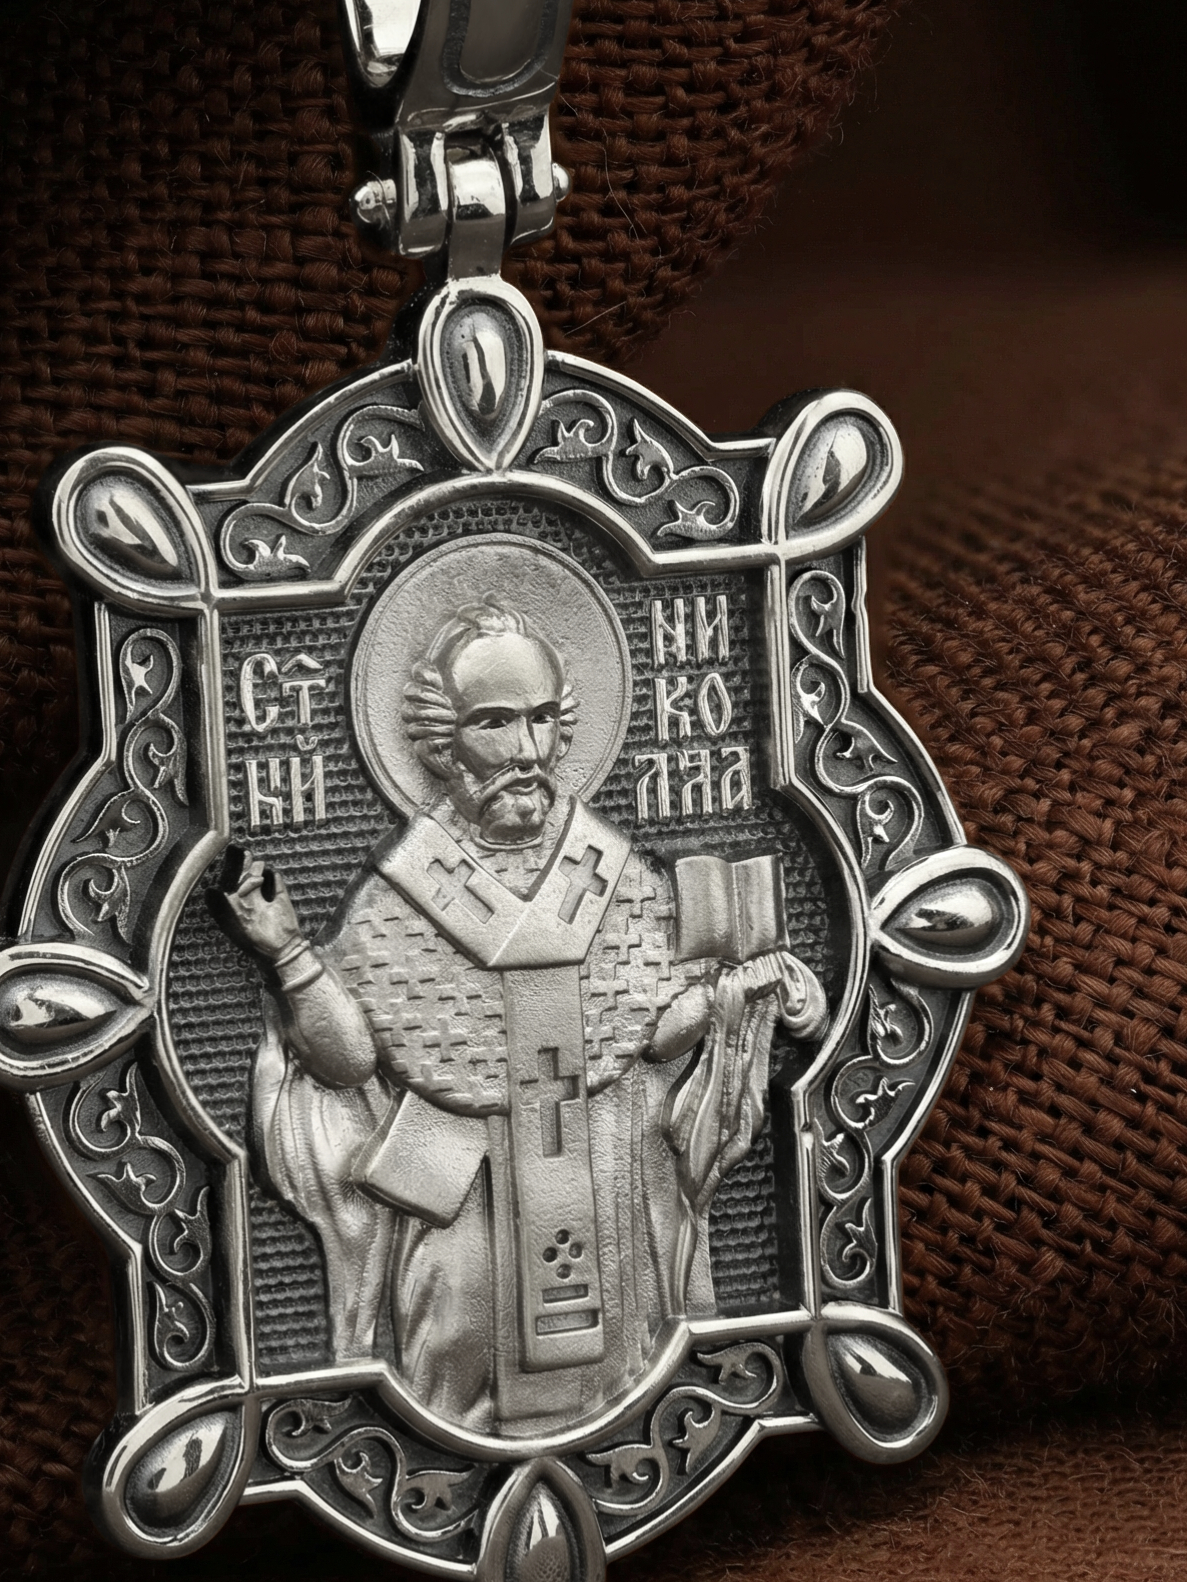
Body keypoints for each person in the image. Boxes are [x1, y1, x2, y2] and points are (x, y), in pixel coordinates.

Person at [216, 600, 826, 1434]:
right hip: (458, 1188)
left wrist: (736, 995)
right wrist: (286, 949)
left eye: (541, 719)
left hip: (609, 1183)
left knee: (619, 1379)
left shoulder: (612, 871)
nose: (528, 750)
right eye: (495, 723)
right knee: (448, 1385)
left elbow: (650, 1033)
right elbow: (351, 1061)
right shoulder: (404, 891)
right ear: (442, 740)